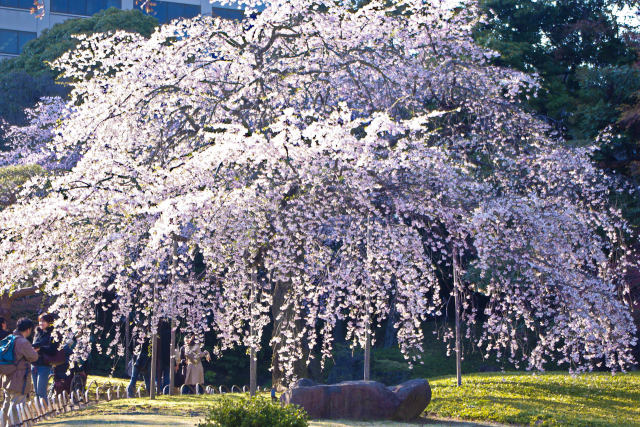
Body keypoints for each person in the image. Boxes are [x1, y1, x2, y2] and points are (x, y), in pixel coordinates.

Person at [1, 318, 38, 424]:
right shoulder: (22, 342)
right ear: (28, 329)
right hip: (19, 378)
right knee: (17, 406)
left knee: (6, 404)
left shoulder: (10, 338)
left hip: (7, 376)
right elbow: (33, 357)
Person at [31, 313, 57, 399]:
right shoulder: (37, 332)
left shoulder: (53, 334)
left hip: (44, 364)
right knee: (36, 392)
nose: (41, 323)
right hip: (34, 364)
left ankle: (45, 411)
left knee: (41, 392)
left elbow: (53, 351)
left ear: (49, 322)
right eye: (40, 321)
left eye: (44, 321)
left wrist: (40, 349)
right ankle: (39, 411)